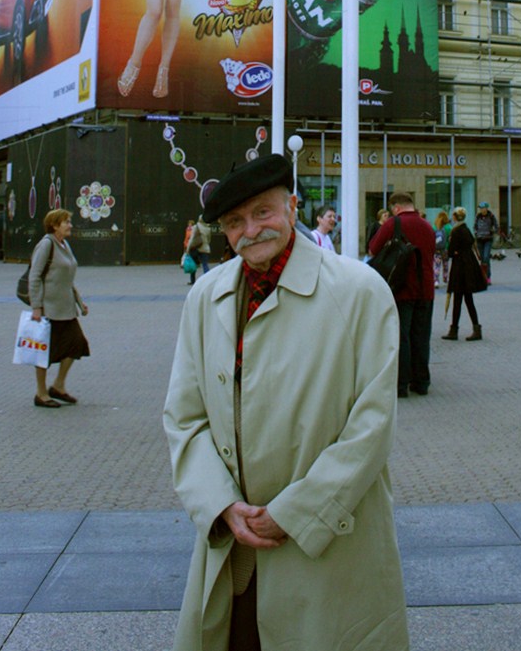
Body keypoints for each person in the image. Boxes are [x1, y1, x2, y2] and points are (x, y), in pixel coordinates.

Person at [163, 154, 408, 651]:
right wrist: (221, 504)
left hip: (326, 547)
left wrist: (296, 512)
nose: (251, 230)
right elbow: (184, 417)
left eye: (263, 212)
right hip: (235, 547)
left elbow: (372, 426)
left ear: (293, 207)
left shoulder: (360, 292)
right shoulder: (205, 298)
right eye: (235, 222)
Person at [368, 191, 436, 398]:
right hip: (426, 289)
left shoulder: (393, 224)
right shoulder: (427, 226)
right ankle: (421, 382)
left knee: (401, 336)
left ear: (396, 207)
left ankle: (401, 384)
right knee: (421, 336)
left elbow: (373, 249)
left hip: (402, 288)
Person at [29, 209, 90, 408]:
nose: (70, 225)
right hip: (49, 309)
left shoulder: (65, 245)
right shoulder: (46, 244)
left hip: (66, 308)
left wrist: (80, 303)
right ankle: (41, 393)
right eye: (66, 222)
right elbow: (35, 276)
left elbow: (67, 280)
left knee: (77, 344)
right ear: (55, 225)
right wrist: (36, 307)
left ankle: (58, 386)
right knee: (44, 351)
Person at [441, 207, 486, 341]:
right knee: (466, 299)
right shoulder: (466, 229)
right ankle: (474, 328)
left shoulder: (456, 231)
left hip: (460, 268)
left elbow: (450, 251)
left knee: (459, 299)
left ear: (455, 217)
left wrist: (453, 252)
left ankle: (455, 330)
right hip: (468, 266)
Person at [473, 201, 498, 282]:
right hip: (480, 239)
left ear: (486, 208)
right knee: (482, 258)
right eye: (480, 208)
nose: (482, 210)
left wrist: (492, 231)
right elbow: (475, 226)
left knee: (486, 257)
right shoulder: (478, 216)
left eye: (483, 208)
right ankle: (483, 276)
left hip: (488, 239)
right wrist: (476, 233)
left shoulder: (491, 216)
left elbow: (496, 226)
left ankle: (487, 277)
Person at [433, 209, 451, 287]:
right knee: (445, 264)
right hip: (445, 249)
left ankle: (436, 280)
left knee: (437, 265)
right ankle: (445, 278)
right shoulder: (448, 227)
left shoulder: (434, 227)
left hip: (436, 249)